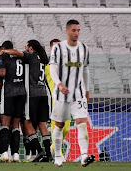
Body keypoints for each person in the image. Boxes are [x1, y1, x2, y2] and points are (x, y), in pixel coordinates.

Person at [0, 40, 52, 163]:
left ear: (31, 48)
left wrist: (3, 51)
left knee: (27, 123)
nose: (24, 48)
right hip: (44, 93)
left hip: (32, 94)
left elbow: (17, 52)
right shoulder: (43, 59)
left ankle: (40, 151)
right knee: (42, 124)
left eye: (26, 46)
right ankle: (49, 155)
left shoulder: (31, 56)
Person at [50, 20, 95, 167]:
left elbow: (86, 70)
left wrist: (87, 90)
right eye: (74, 30)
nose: (76, 33)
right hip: (61, 94)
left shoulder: (84, 48)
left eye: (78, 30)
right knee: (59, 125)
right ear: (67, 31)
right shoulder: (58, 48)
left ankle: (83, 156)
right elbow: (53, 70)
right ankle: (57, 155)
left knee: (82, 123)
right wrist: (60, 84)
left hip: (78, 93)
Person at [0, 40, 26, 163]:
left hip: (9, 92)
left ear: (3, 48)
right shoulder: (20, 56)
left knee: (5, 123)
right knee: (16, 125)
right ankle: (16, 155)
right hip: (21, 92)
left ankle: (5, 154)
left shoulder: (3, 56)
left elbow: (2, 73)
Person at [45, 39, 71, 158]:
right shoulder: (47, 66)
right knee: (56, 127)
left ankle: (52, 148)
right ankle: (58, 154)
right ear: (51, 49)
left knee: (66, 128)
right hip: (53, 100)